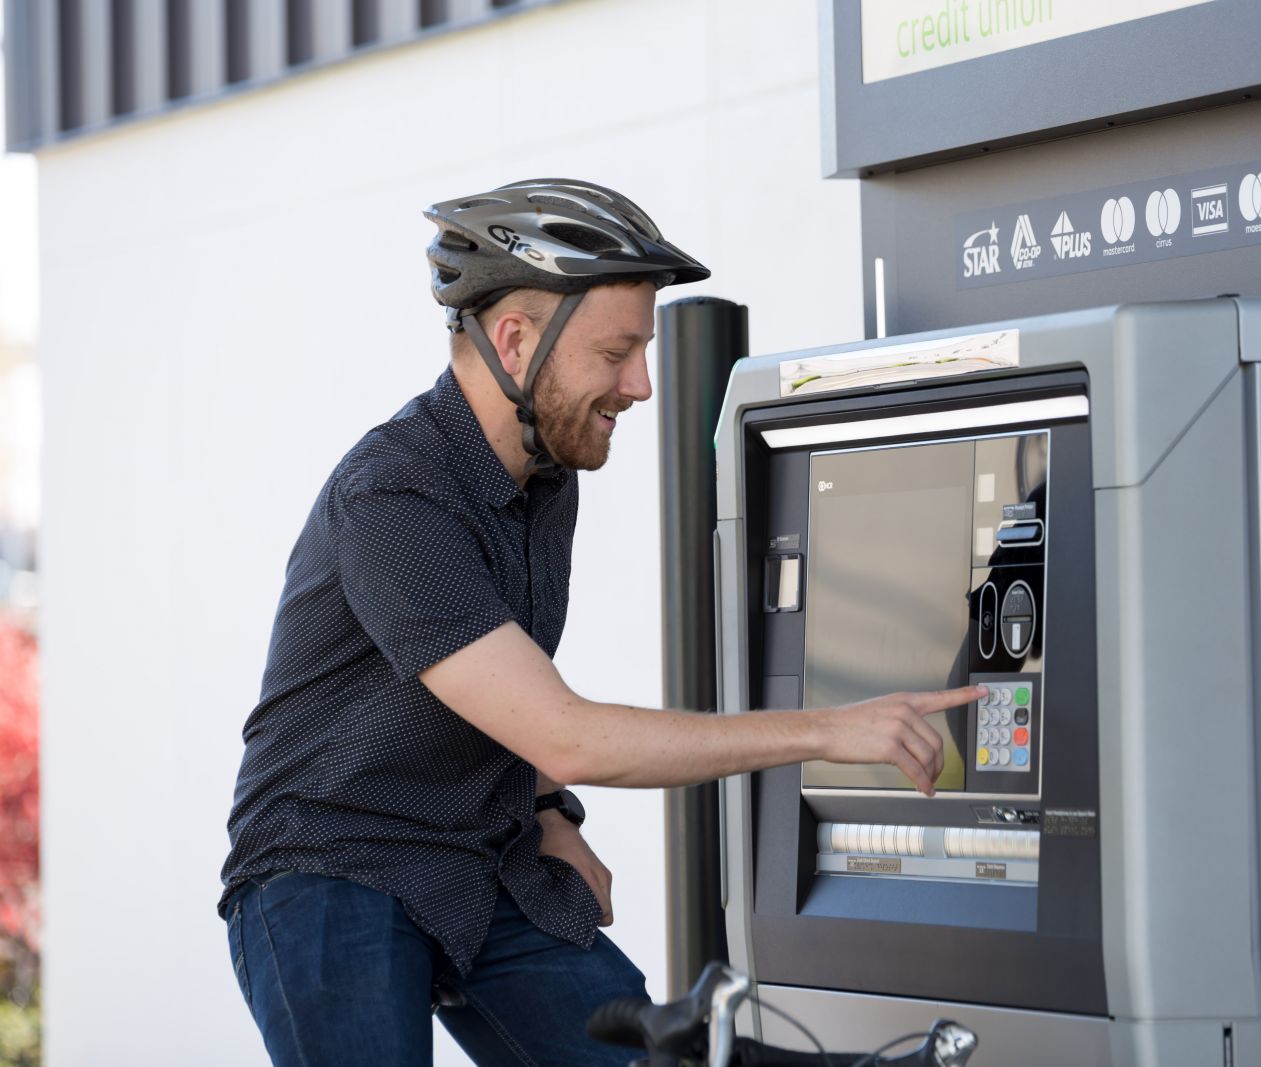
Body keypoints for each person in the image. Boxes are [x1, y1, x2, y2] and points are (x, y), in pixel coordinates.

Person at [219, 179, 981, 1067]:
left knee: (657, 1054)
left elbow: (506, 684)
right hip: (329, 867)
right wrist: (831, 730)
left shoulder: (543, 479)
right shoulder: (394, 497)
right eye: (617, 352)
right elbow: (568, 732)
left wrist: (546, 811)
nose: (642, 385)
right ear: (514, 340)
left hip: (478, 858)